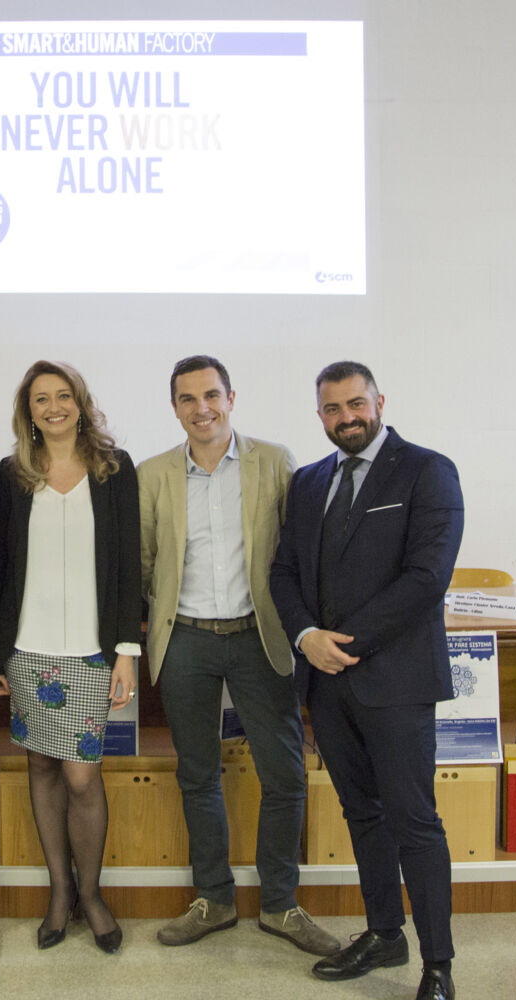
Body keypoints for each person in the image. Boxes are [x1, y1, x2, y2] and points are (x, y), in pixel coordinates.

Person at [269, 361, 464, 1000]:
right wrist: (305, 637)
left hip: (396, 680)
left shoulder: (427, 470)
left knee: (414, 820)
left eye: (356, 404)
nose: (346, 418)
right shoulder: (308, 481)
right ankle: (385, 934)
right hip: (326, 683)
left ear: (379, 400)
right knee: (362, 814)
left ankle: (438, 965)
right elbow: (284, 573)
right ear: (319, 414)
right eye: (332, 409)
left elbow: (426, 577)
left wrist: (341, 643)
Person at [138, 355, 339, 956]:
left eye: (211, 395)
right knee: (197, 774)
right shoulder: (153, 474)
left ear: (231, 397)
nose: (201, 408)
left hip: (261, 636)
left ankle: (279, 904)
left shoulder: (274, 462)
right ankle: (214, 899)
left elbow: (299, 551)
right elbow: (146, 561)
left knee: (283, 774)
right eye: (187, 399)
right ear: (174, 407)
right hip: (187, 640)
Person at [0, 361, 140, 954]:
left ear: (80, 402)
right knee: (42, 766)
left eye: (63, 396)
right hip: (27, 648)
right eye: (41, 398)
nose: (53, 407)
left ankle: (91, 894)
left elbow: (128, 565)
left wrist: (126, 651)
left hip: (93, 653)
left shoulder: (113, 468)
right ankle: (58, 893)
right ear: (28, 408)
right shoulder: (12, 472)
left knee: (81, 773)